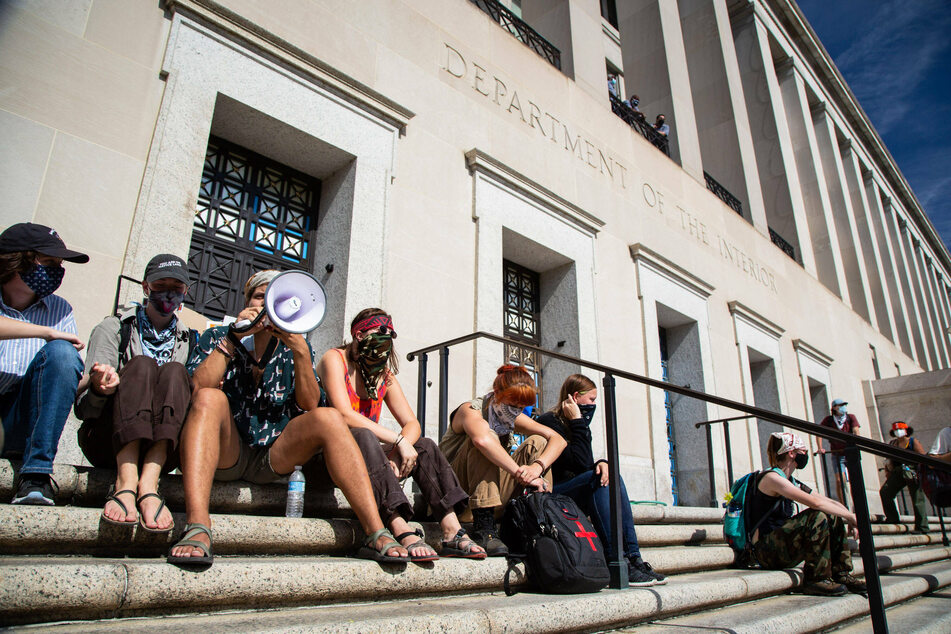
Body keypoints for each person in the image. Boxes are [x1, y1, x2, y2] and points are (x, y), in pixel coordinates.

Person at [168, 270, 408, 566]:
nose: (267, 308)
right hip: (226, 453)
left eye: (275, 299)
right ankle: (198, 525)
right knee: (209, 397)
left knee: (329, 417)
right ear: (246, 301)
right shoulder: (219, 335)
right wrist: (233, 338)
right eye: (260, 297)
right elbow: (197, 388)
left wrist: (301, 354)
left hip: (273, 456)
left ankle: (375, 531)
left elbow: (309, 403)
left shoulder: (295, 346)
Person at [318, 309, 485, 560]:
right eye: (381, 332)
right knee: (362, 434)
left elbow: (412, 423)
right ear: (359, 334)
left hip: (365, 456)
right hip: (329, 458)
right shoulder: (335, 359)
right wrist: (395, 440)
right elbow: (343, 414)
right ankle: (398, 524)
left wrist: (400, 449)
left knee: (425, 445)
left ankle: (452, 529)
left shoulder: (384, 375)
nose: (387, 339)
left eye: (391, 334)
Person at [74, 254, 196, 532]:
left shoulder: (191, 339)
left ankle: (149, 485)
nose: (168, 294)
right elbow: (84, 408)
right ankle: (126, 484)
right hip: (108, 440)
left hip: (162, 448)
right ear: (145, 287)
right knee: (141, 365)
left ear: (185, 292)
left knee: (177, 372)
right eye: (160, 285)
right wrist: (99, 387)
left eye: (176, 288)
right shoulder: (114, 328)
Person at [536, 374, 666, 586]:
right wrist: (578, 422)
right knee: (597, 480)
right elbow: (577, 463)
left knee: (609, 475)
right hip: (553, 492)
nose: (594, 405)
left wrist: (602, 463)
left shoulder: (577, 424)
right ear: (576, 397)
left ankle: (633, 558)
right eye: (592, 400)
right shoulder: (549, 422)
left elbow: (586, 464)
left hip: (573, 490)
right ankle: (617, 558)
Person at [0, 223, 87, 505]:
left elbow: (61, 381)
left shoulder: (60, 308)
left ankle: (36, 476)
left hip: (20, 418)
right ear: (18, 259)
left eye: (59, 264)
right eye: (48, 262)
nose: (57, 271)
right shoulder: (49, 326)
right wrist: (44, 332)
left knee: (63, 353)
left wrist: (95, 380)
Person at [440, 364, 567, 556]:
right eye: (512, 404)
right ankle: (485, 528)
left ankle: (540, 513)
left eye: (521, 407)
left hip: (495, 493)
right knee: (486, 438)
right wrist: (520, 472)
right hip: (455, 495)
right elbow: (482, 440)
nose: (516, 411)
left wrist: (536, 467)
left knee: (538, 442)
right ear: (496, 392)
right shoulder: (470, 410)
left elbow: (558, 439)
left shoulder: (511, 417)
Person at [750, 431, 866, 596]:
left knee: (832, 513)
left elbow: (829, 502)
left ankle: (840, 574)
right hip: (765, 551)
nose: (805, 455)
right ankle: (815, 579)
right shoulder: (772, 478)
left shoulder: (791, 481)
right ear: (791, 453)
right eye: (802, 451)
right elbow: (815, 503)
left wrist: (850, 517)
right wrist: (850, 517)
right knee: (818, 515)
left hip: (780, 546)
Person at [879, 421, 929, 533]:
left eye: (900, 429)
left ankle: (922, 526)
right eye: (895, 430)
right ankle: (892, 518)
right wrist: (888, 471)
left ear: (906, 430)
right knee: (885, 492)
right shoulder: (893, 443)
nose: (898, 432)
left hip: (912, 472)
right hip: (897, 472)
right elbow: (888, 459)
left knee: (917, 498)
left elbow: (922, 456)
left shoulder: (912, 442)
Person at [818, 398, 861, 504]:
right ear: (834, 408)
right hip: (837, 453)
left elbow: (856, 430)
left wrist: (857, 443)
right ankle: (843, 505)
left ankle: (858, 505)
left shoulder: (850, 417)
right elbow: (819, 431)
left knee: (854, 480)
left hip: (850, 452)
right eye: (840, 405)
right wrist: (820, 447)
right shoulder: (829, 420)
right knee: (840, 480)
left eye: (844, 405)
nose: (843, 407)